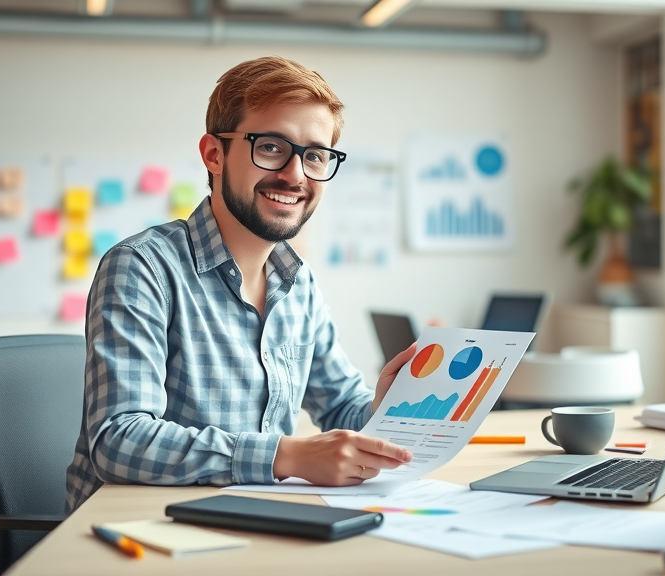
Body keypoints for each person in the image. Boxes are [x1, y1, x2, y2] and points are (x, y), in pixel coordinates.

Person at [65, 56, 414, 513]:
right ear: (214, 154)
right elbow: (118, 440)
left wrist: (383, 410)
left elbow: (343, 407)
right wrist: (286, 455)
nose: (295, 175)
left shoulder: (298, 282)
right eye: (271, 147)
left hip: (251, 518)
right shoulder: (141, 268)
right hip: (139, 531)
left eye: (314, 155)